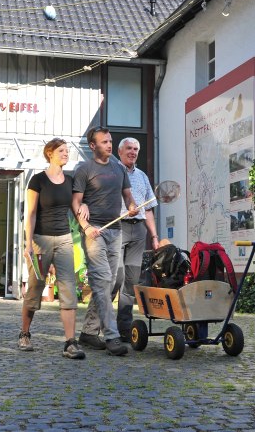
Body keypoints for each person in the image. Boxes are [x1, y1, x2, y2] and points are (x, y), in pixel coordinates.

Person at [72, 126, 138, 356]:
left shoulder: (119, 169)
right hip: (94, 232)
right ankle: (112, 336)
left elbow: (128, 196)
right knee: (101, 282)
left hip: (115, 230)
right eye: (104, 142)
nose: (109, 145)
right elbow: (76, 203)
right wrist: (86, 227)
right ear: (92, 146)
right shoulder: (84, 170)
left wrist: (130, 206)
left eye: (110, 141)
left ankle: (89, 332)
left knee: (111, 284)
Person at [18, 137, 86, 360]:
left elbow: (77, 204)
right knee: (35, 288)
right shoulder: (38, 181)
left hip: (65, 239)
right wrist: (28, 244)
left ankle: (70, 343)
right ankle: (25, 333)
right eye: (62, 150)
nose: (66, 153)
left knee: (68, 289)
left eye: (67, 150)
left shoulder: (70, 180)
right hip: (41, 240)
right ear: (50, 154)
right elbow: (31, 213)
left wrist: (83, 205)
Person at [112, 137, 160, 341]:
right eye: (129, 148)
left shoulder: (142, 177)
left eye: (136, 149)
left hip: (139, 231)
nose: (133, 152)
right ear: (120, 151)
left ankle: (123, 330)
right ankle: (96, 327)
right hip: (117, 228)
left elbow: (148, 209)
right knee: (115, 279)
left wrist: (155, 237)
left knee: (131, 282)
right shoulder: (111, 172)